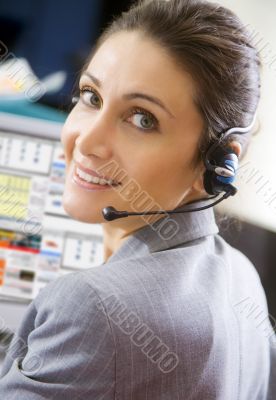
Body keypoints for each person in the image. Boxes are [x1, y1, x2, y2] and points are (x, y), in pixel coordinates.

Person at [0, 0, 275, 398]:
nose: (87, 141)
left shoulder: (91, 307)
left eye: (142, 119)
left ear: (217, 162)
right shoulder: (241, 275)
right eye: (91, 96)